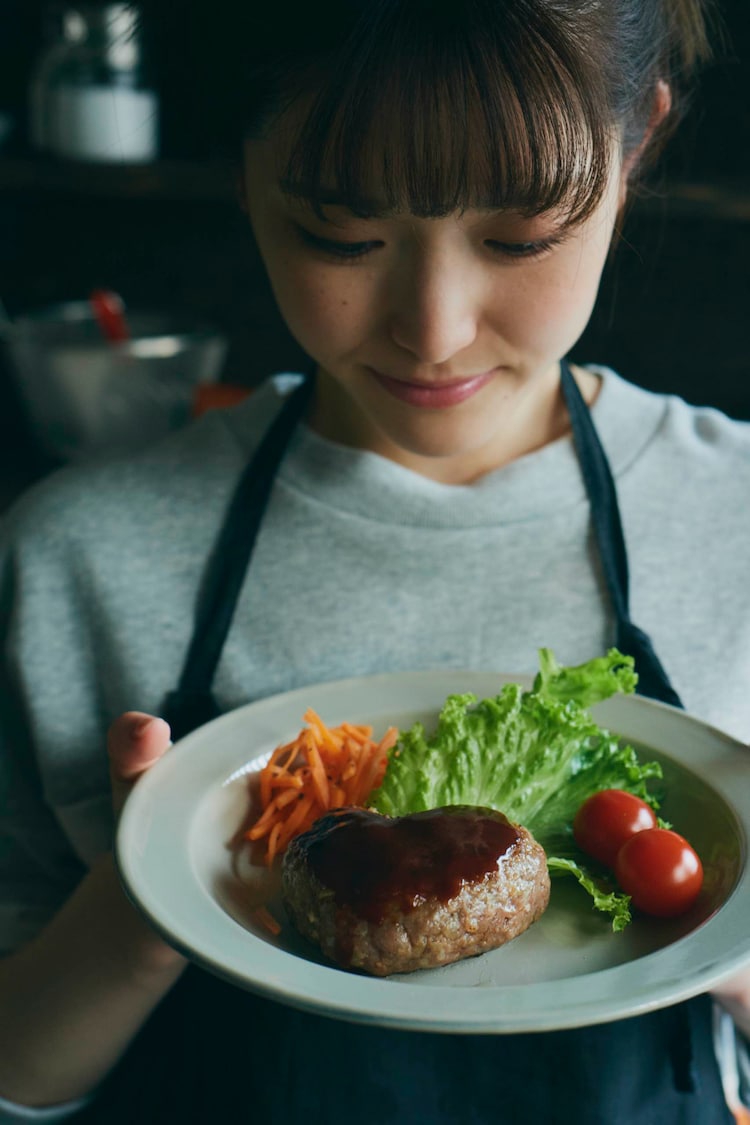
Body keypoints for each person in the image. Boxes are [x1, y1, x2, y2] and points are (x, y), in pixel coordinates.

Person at [1, 0, 748, 1121]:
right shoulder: (75, 558)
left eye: (519, 236)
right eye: (342, 236)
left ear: (634, 146)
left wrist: (724, 937)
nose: (434, 327)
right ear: (245, 171)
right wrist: (149, 896)